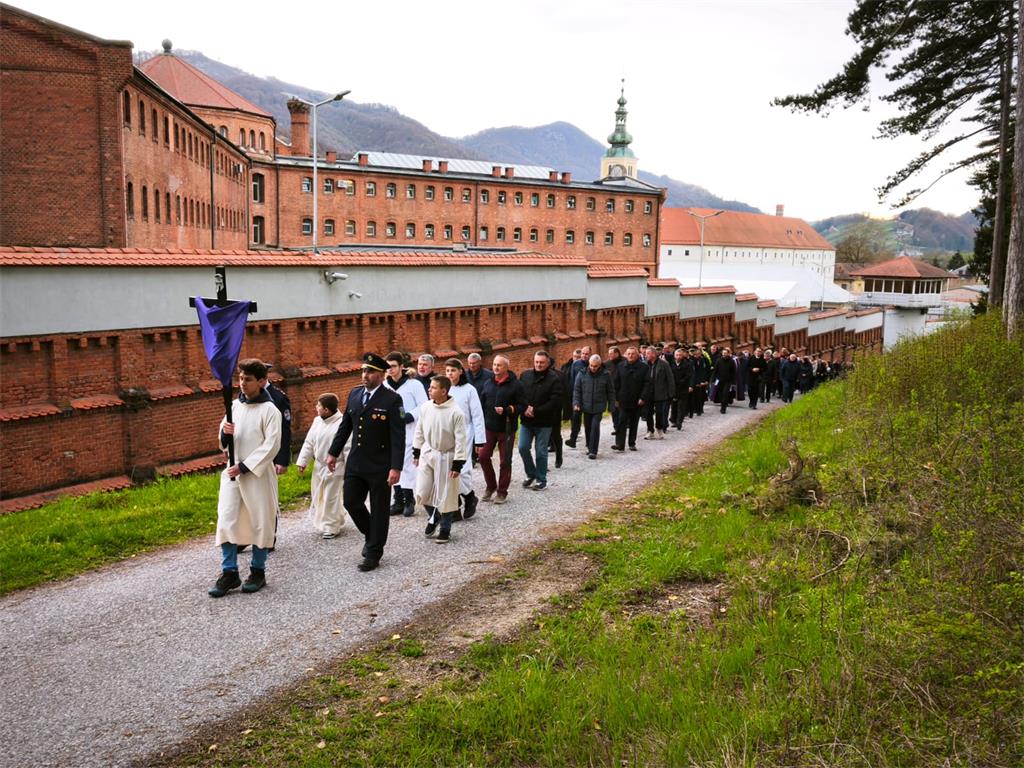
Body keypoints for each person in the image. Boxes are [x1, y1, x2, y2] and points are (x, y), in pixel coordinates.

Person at [209, 358, 282, 598]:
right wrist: (224, 433)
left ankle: (257, 571)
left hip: (256, 475)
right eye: (240, 378)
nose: (242, 383)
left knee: (259, 522)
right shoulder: (234, 407)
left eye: (248, 379)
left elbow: (271, 445)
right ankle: (229, 572)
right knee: (227, 520)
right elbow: (223, 443)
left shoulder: (270, 410)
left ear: (261, 381)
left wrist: (244, 467)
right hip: (231, 475)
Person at [326, 353, 405, 572]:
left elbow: (398, 436)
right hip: (357, 462)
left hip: (380, 464)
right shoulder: (354, 394)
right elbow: (345, 427)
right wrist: (333, 452)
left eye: (370, 372)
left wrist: (396, 467)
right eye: (363, 371)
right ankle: (372, 534)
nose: (365, 375)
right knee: (351, 502)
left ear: (381, 375)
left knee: (380, 509)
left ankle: (373, 552)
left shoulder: (392, 399)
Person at [412, 375, 468, 543]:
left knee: (446, 495)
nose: (429, 390)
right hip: (429, 453)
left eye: (433, 387)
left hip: (447, 456)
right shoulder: (426, 407)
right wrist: (416, 450)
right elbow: (419, 429)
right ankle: (434, 516)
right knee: (422, 491)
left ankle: (445, 528)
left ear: (443, 391)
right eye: (430, 387)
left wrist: (458, 463)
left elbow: (460, 439)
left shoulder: (456, 412)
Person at [296, 393, 346, 539]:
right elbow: (309, 442)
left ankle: (331, 527)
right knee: (319, 495)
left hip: (335, 466)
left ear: (326, 410)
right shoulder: (317, 421)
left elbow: (347, 446)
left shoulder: (342, 423)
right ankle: (338, 516)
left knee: (331, 496)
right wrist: (303, 461)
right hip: (319, 466)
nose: (315, 408)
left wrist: (350, 468)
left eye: (318, 406)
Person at [384, 352, 428, 517]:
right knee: (393, 464)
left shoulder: (413, 385)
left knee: (408, 466)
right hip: (391, 431)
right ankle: (398, 500)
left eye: (394, 366)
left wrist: (410, 416)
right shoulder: (385, 386)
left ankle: (409, 500)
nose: (391, 370)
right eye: (388, 367)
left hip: (410, 430)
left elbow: (424, 405)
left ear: (401, 367)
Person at [478, 355, 525, 504]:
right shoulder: (488, 383)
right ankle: (491, 485)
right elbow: (481, 404)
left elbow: (522, 405)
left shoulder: (516, 385)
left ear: (506, 367)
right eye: (494, 364)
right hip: (489, 427)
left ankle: (502, 491)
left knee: (505, 461)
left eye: (499, 365)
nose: (496, 368)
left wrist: (507, 410)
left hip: (507, 428)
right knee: (483, 457)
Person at [443, 358, 485, 518]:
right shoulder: (444, 390)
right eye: (447, 371)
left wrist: (479, 440)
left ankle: (469, 497)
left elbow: (477, 416)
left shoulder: (469, 390)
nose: (450, 374)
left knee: (463, 469)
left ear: (461, 371)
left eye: (453, 370)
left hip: (466, 433)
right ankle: (455, 506)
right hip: (447, 435)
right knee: (448, 470)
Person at [518, 350, 564, 489]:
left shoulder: (554, 379)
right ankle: (531, 473)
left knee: (541, 451)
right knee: (522, 447)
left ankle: (541, 479)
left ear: (547, 363)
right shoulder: (525, 376)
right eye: (537, 362)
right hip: (526, 420)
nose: (539, 364)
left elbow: (554, 401)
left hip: (544, 421)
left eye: (542, 362)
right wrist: (525, 408)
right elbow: (519, 394)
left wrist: (536, 410)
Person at [574, 353, 616, 459]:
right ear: (589, 364)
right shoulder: (582, 373)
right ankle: (589, 446)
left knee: (595, 427)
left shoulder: (606, 375)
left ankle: (593, 451)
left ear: (600, 365)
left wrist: (611, 406)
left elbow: (611, 391)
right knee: (588, 427)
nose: (593, 368)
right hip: (586, 405)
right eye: (591, 365)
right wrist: (576, 403)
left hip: (599, 406)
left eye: (595, 366)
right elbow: (577, 390)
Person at [611, 346, 647, 452]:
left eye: (633, 354)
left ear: (637, 355)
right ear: (626, 355)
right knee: (621, 421)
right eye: (629, 354)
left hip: (637, 400)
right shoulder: (621, 366)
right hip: (623, 399)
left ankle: (632, 443)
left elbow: (647, 384)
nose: (630, 356)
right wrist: (615, 398)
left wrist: (643, 397)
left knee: (633, 422)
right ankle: (619, 444)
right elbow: (616, 383)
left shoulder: (644, 368)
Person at [642, 345, 675, 439]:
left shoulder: (664, 364)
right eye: (645, 353)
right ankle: (650, 431)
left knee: (660, 413)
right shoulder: (644, 364)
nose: (646, 355)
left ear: (654, 354)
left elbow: (670, 379)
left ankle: (659, 429)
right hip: (648, 393)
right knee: (648, 413)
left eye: (648, 353)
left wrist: (671, 393)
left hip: (660, 392)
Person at [565, 345, 590, 448]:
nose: (584, 356)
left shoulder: (592, 364)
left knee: (588, 421)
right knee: (575, 418)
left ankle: (589, 443)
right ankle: (573, 439)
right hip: (577, 395)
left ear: (590, 355)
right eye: (583, 354)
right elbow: (572, 380)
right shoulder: (576, 364)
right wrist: (573, 397)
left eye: (586, 354)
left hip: (588, 396)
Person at [669, 346, 693, 429]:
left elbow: (689, 375)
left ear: (682, 356)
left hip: (683, 388)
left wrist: (687, 384)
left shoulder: (687, 364)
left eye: (680, 355)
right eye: (677, 355)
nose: (678, 356)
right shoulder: (671, 364)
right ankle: (674, 420)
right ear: (674, 355)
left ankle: (679, 422)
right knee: (674, 405)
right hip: (673, 388)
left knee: (681, 406)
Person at [713, 347, 736, 414]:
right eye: (723, 353)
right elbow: (715, 371)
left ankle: (723, 408)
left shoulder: (731, 361)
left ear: (728, 354)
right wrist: (713, 379)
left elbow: (733, 372)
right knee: (720, 394)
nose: (724, 355)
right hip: (719, 380)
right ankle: (723, 403)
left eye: (725, 353)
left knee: (725, 394)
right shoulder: (718, 361)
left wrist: (733, 381)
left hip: (727, 381)